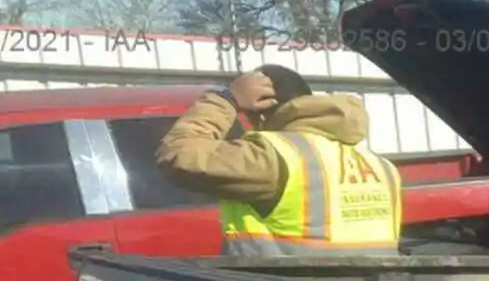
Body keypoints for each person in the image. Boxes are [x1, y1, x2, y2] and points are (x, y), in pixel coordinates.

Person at [155, 64, 403, 254]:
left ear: (259, 115)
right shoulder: (381, 167)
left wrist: (227, 100)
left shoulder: (273, 158)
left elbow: (178, 154)